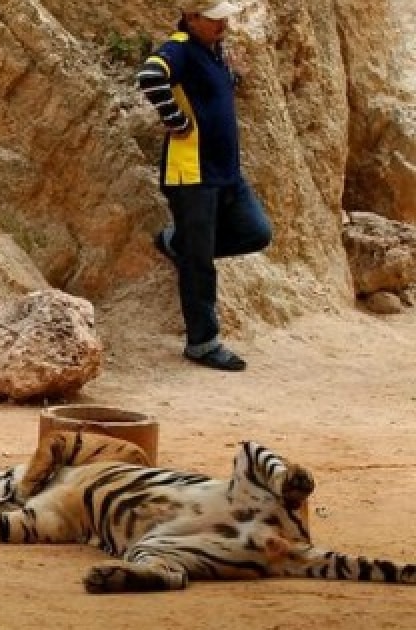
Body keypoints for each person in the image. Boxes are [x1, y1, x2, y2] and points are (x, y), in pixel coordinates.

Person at [136, 0, 273, 371]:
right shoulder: (179, 47)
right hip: (192, 174)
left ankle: (177, 243)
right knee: (199, 264)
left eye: (224, 16)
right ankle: (202, 343)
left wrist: (235, 76)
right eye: (214, 19)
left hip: (226, 172)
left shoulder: (213, 51)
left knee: (256, 232)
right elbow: (149, 77)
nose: (223, 23)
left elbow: (211, 95)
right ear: (192, 18)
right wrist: (175, 120)